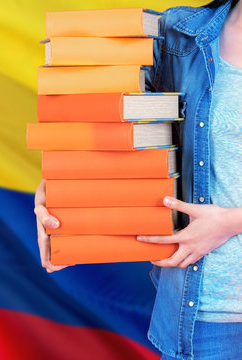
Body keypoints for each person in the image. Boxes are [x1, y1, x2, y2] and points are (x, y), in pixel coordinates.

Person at [33, 0, 242, 358]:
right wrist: (59, 187)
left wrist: (230, 222)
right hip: (208, 313)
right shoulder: (180, 34)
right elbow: (109, 124)